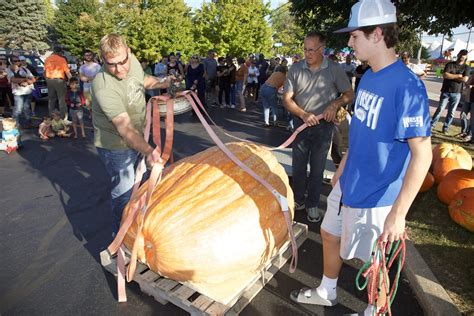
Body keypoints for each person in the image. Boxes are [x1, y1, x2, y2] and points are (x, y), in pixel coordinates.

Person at [289, 2, 432, 316]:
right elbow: (362, 130)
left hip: (379, 194)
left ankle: (375, 310)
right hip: (350, 179)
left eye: (355, 36)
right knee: (328, 232)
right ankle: (327, 291)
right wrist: (342, 164)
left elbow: (423, 154)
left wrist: (398, 214)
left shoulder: (408, 87)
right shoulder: (366, 77)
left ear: (378, 34)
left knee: (375, 261)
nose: (349, 43)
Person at [91, 33, 170, 235]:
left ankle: (140, 224)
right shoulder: (103, 85)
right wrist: (150, 151)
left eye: (122, 62)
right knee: (125, 192)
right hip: (116, 146)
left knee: (143, 183)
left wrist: (162, 83)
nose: (119, 69)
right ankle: (121, 235)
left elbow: (141, 80)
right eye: (111, 64)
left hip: (137, 137)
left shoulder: (132, 62)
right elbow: (124, 129)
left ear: (129, 52)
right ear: (102, 59)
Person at [283, 31, 354, 222]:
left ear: (322, 49)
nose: (307, 54)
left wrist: (334, 105)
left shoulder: (334, 69)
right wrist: (303, 114)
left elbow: (349, 93)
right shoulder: (296, 69)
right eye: (305, 49)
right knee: (298, 166)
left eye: (311, 50)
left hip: (324, 127)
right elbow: (286, 99)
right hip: (301, 124)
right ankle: (299, 200)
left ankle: (313, 204)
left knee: (317, 167)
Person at [431, 49, 470, 134]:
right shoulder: (450, 64)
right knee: (440, 109)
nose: (462, 57)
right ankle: (431, 125)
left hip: (457, 93)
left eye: (464, 56)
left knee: (451, 112)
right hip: (446, 91)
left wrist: (451, 76)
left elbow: (465, 79)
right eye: (461, 55)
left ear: (466, 57)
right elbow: (445, 75)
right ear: (458, 54)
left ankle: (446, 127)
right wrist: (458, 75)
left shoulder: (466, 67)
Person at [6, 56, 35, 128]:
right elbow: (13, 80)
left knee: (27, 108)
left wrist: (28, 82)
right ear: (11, 62)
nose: (17, 62)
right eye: (14, 61)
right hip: (18, 93)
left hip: (28, 92)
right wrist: (26, 79)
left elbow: (33, 79)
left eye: (18, 60)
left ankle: (29, 123)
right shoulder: (9, 70)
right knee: (18, 109)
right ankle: (15, 124)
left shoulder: (25, 69)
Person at [44, 46, 72, 119]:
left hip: (49, 80)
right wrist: (71, 80)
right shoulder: (62, 59)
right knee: (62, 100)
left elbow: (44, 71)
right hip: (59, 80)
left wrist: (47, 79)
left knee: (51, 99)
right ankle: (63, 117)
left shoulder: (47, 59)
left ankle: (51, 116)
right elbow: (67, 72)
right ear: (60, 52)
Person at [79, 50, 101, 115]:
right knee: (88, 102)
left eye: (89, 55)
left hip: (96, 87)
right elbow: (82, 78)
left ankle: (97, 114)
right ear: (84, 56)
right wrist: (93, 78)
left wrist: (87, 78)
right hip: (86, 87)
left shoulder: (97, 66)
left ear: (92, 56)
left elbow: (99, 77)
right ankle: (91, 114)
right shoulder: (82, 67)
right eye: (86, 55)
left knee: (97, 102)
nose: (88, 57)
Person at [458, 73, 474, 143]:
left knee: (472, 119)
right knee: (462, 115)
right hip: (468, 98)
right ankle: (464, 132)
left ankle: (470, 135)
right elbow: (466, 83)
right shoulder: (472, 75)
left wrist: (472, 86)